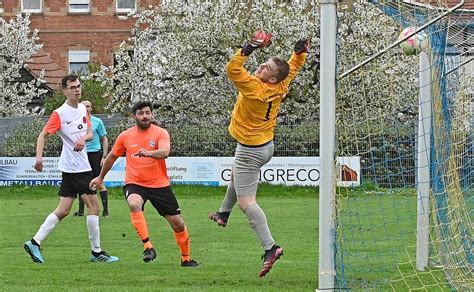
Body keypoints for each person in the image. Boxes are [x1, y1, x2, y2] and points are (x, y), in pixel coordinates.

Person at [208, 31, 310, 277]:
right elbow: (293, 67)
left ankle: (270, 247)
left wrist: (248, 48)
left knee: (247, 202)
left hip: (251, 150)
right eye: (264, 64)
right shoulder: (282, 84)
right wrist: (300, 52)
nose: (261, 68)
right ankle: (223, 213)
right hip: (265, 146)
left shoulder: (254, 87)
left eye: (265, 68)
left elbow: (232, 69)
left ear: (272, 80)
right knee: (236, 175)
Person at [89, 101, 199, 267]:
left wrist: (149, 153)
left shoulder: (161, 133)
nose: (145, 116)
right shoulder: (125, 136)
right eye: (141, 113)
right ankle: (148, 247)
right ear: (135, 116)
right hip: (135, 183)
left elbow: (165, 152)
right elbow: (111, 157)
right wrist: (100, 177)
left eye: (148, 112)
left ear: (152, 114)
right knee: (134, 203)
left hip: (159, 185)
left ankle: (186, 259)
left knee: (178, 224)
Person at [23, 75, 119, 264]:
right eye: (73, 87)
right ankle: (96, 252)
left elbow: (90, 133)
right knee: (94, 207)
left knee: (64, 209)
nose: (77, 89)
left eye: (79, 86)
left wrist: (84, 138)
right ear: (65, 91)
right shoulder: (59, 113)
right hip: (77, 168)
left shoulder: (83, 108)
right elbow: (42, 135)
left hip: (72, 167)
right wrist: (39, 159)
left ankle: (35, 242)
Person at [74, 100, 110, 217]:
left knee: (99, 182)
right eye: (83, 106)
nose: (86, 108)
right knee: (81, 182)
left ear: (91, 108)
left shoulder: (97, 121)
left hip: (95, 154)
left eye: (88, 106)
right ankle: (80, 211)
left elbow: (104, 138)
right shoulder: (76, 121)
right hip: (81, 154)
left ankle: (105, 211)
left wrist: (104, 156)